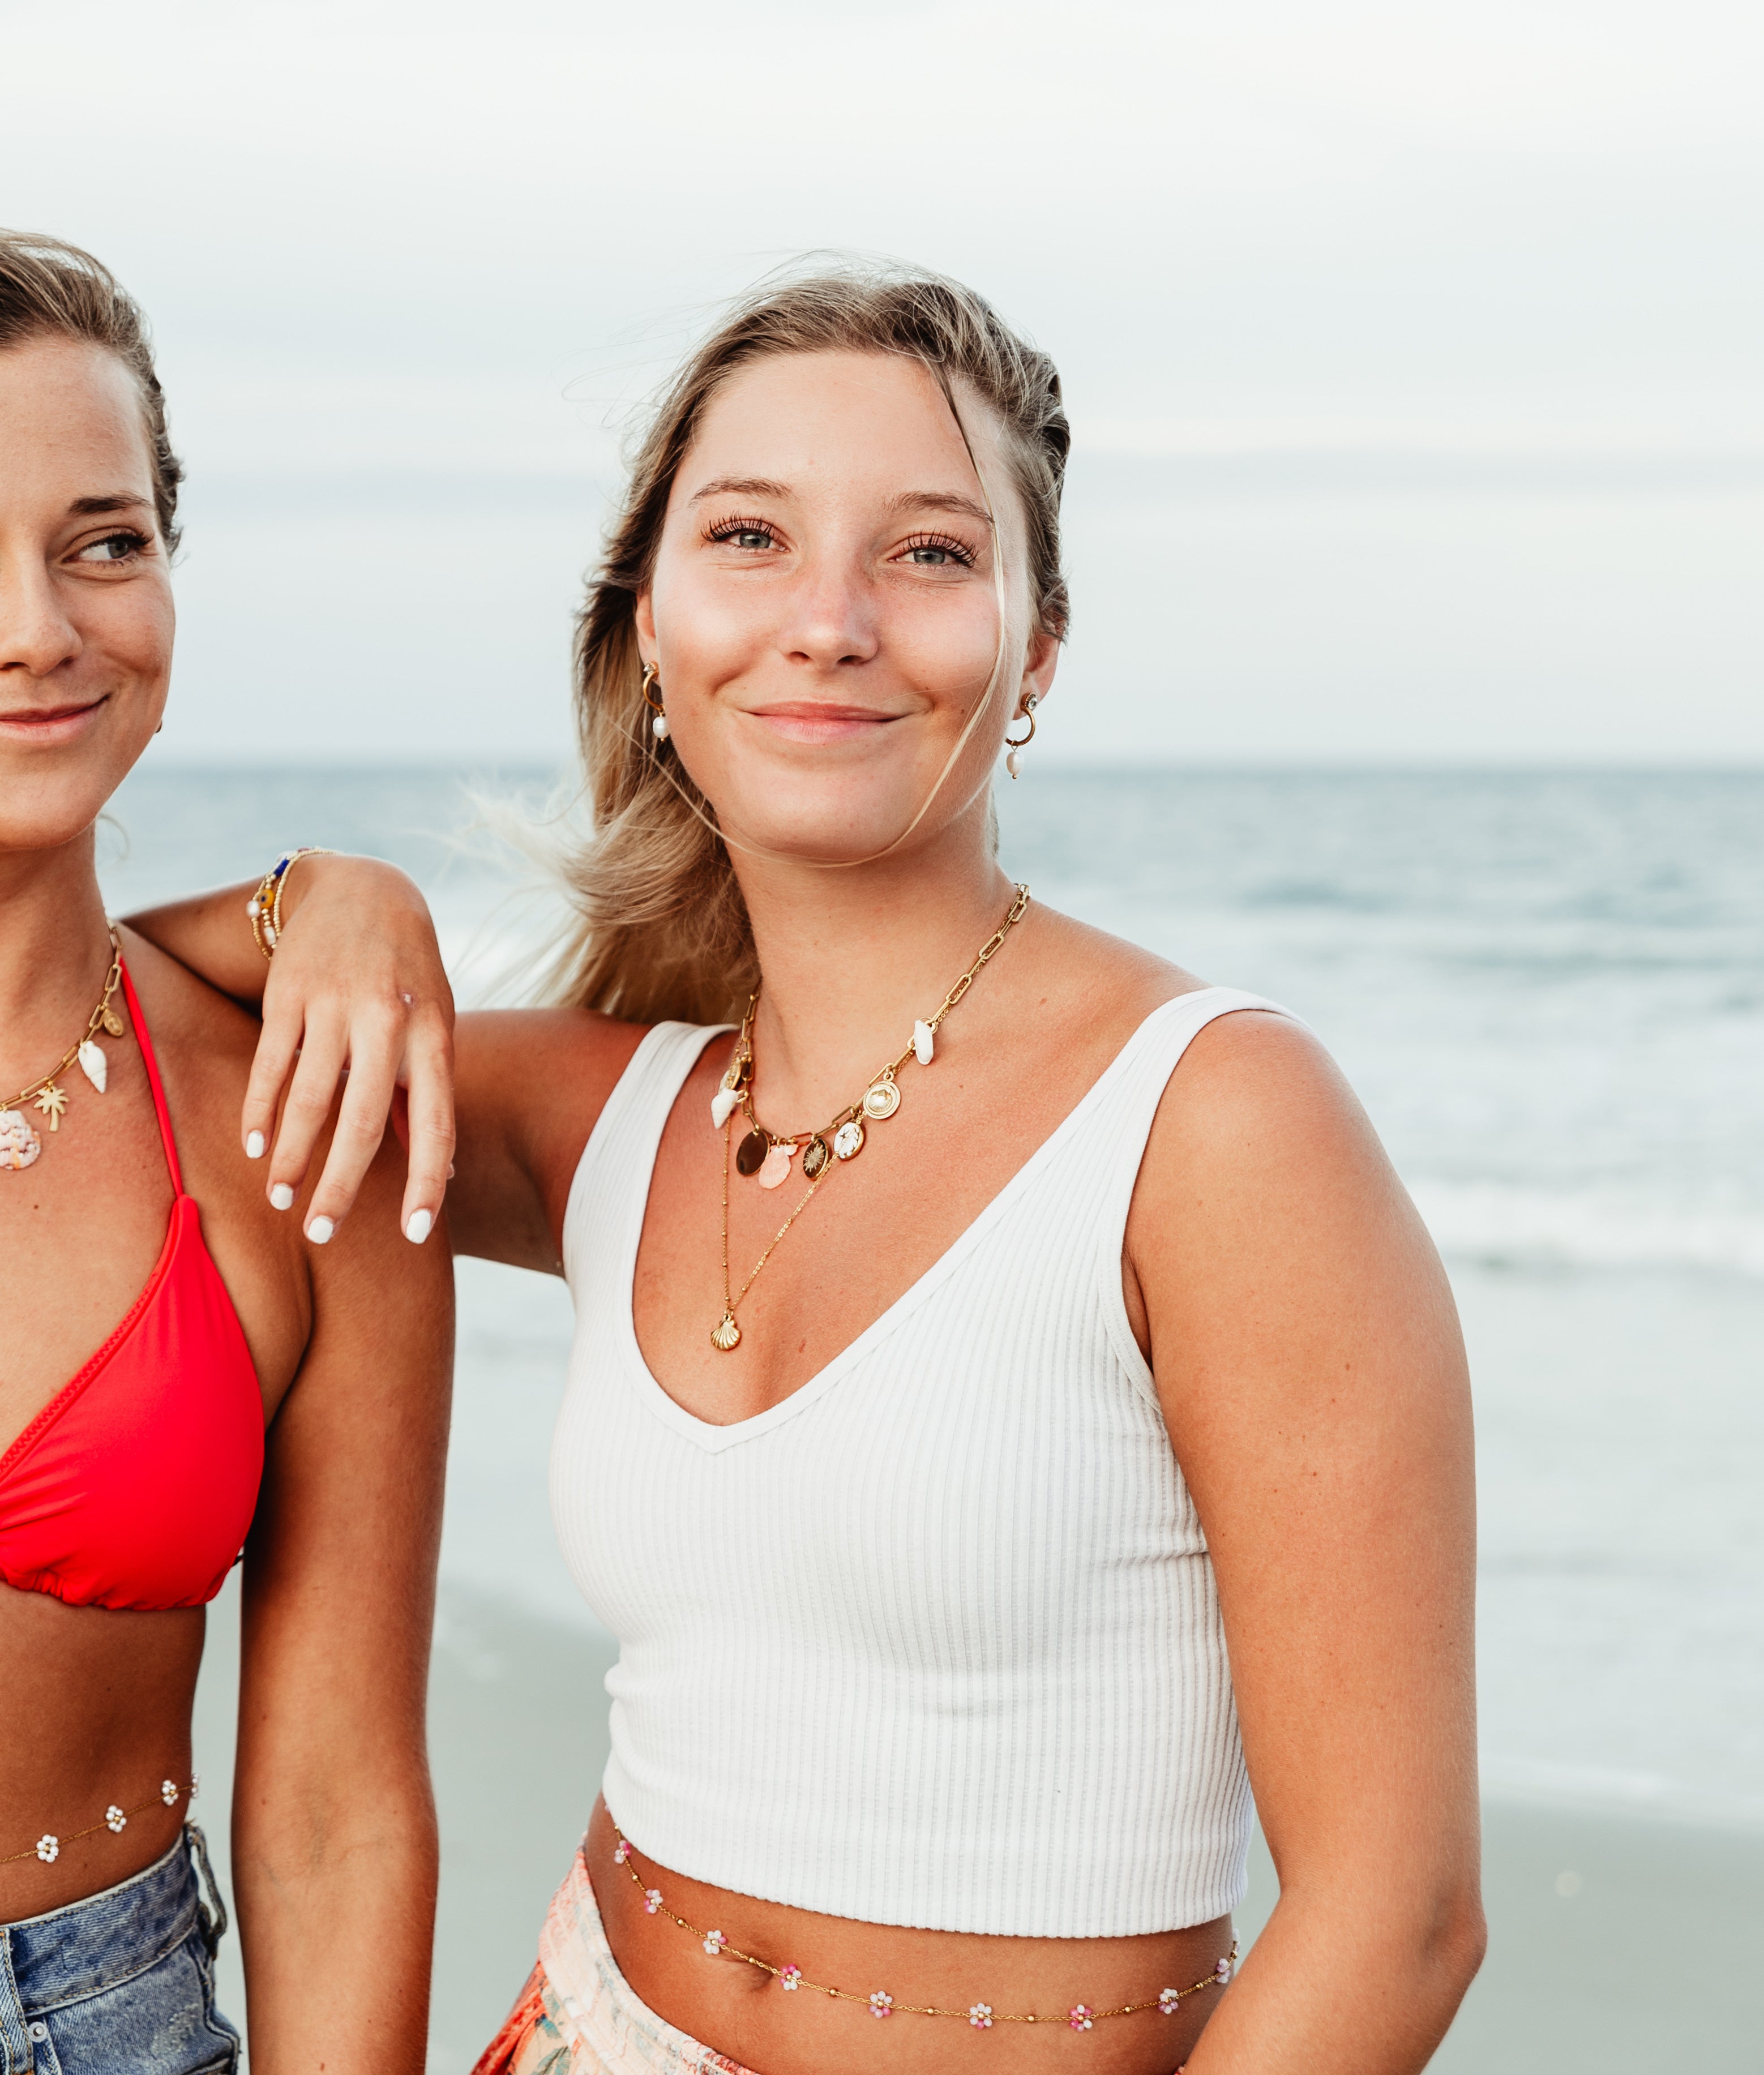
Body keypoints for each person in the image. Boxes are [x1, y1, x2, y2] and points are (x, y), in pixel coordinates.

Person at [142, 264, 1484, 2074]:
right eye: (751, 536)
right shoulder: (613, 1114)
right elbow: (115, 1018)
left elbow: (1395, 1916)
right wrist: (321, 896)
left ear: (1040, 644)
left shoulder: (1214, 1122)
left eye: (929, 553)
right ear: (648, 632)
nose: (830, 621)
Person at [0, 230, 451, 2071]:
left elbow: (338, 1811)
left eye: (102, 541)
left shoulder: (303, 1114)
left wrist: (337, 897)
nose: (38, 625)